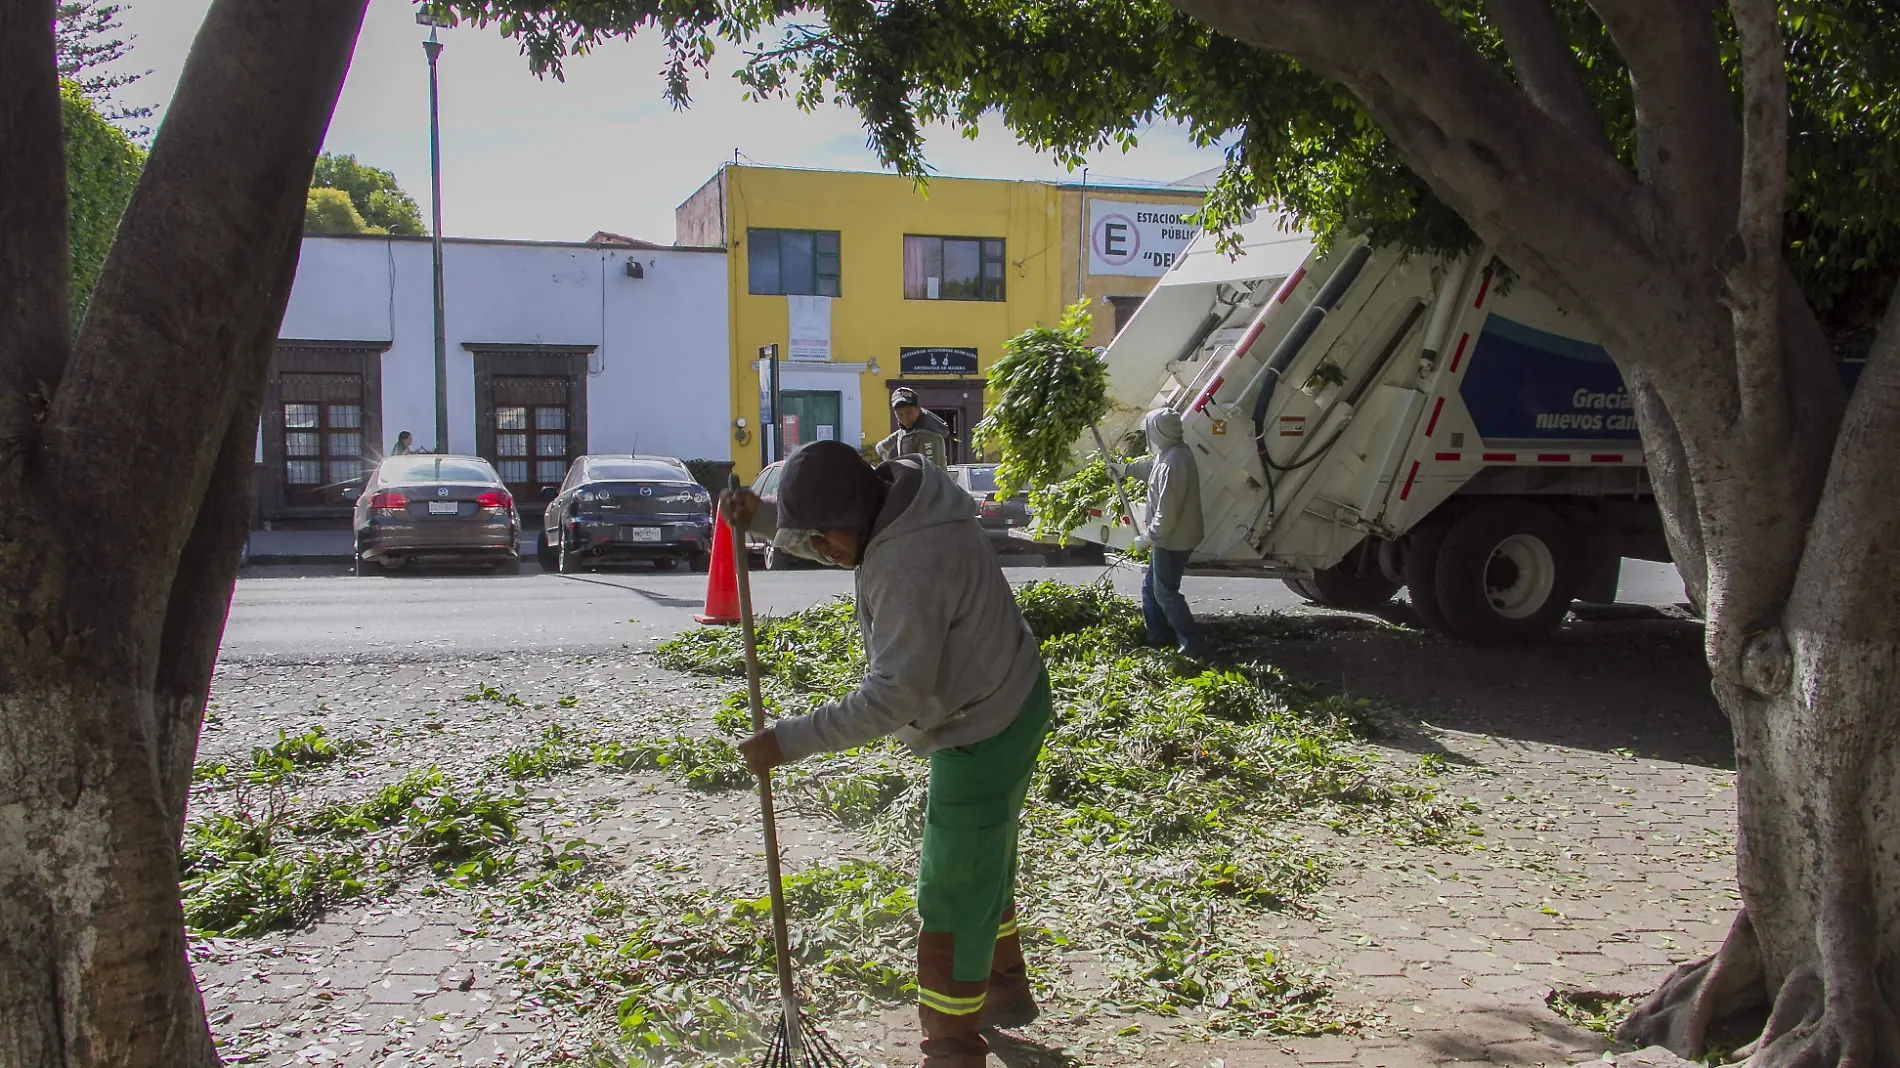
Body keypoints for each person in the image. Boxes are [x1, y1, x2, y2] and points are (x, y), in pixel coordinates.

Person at [723, 440, 1048, 1068]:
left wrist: (784, 741)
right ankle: (1004, 989)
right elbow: (829, 536)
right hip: (1010, 689)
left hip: (984, 723)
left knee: (952, 883)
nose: (820, 550)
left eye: (823, 538)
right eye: (809, 539)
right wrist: (764, 517)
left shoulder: (909, 560)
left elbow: (892, 698)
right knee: (982, 855)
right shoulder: (897, 504)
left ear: (854, 510)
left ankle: (952, 1046)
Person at [1129, 408, 1208, 658]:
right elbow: (1151, 470)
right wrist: (1124, 470)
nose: (1149, 435)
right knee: (1151, 588)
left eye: (1151, 430)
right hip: (1170, 537)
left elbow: (1167, 513)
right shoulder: (1171, 454)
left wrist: (1148, 537)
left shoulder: (1175, 462)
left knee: (1165, 592)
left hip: (1173, 539)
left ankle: (1193, 643)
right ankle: (1156, 637)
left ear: (1159, 431)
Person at [875, 387, 951, 467]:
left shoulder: (927, 435)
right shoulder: (907, 428)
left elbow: (930, 472)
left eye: (908, 413)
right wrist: (883, 447)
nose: (905, 418)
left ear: (918, 408)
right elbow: (898, 435)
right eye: (899, 414)